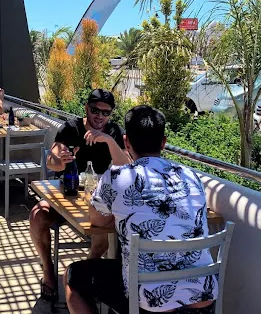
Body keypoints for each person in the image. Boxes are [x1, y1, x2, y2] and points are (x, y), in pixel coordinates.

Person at [65, 106, 217, 314]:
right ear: (163, 142)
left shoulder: (118, 177)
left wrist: (119, 215)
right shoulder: (191, 176)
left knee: (74, 275)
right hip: (204, 298)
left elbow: (96, 220)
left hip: (150, 302)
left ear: (126, 142)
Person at [29, 89, 128, 304]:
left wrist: (109, 141)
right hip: (67, 196)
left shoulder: (113, 131)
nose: (100, 116)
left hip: (98, 200)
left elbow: (129, 165)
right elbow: (52, 160)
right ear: (86, 108)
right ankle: (48, 271)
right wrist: (61, 160)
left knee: (103, 232)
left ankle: (83, 274)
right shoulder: (71, 128)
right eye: (95, 110)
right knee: (37, 216)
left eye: (106, 112)